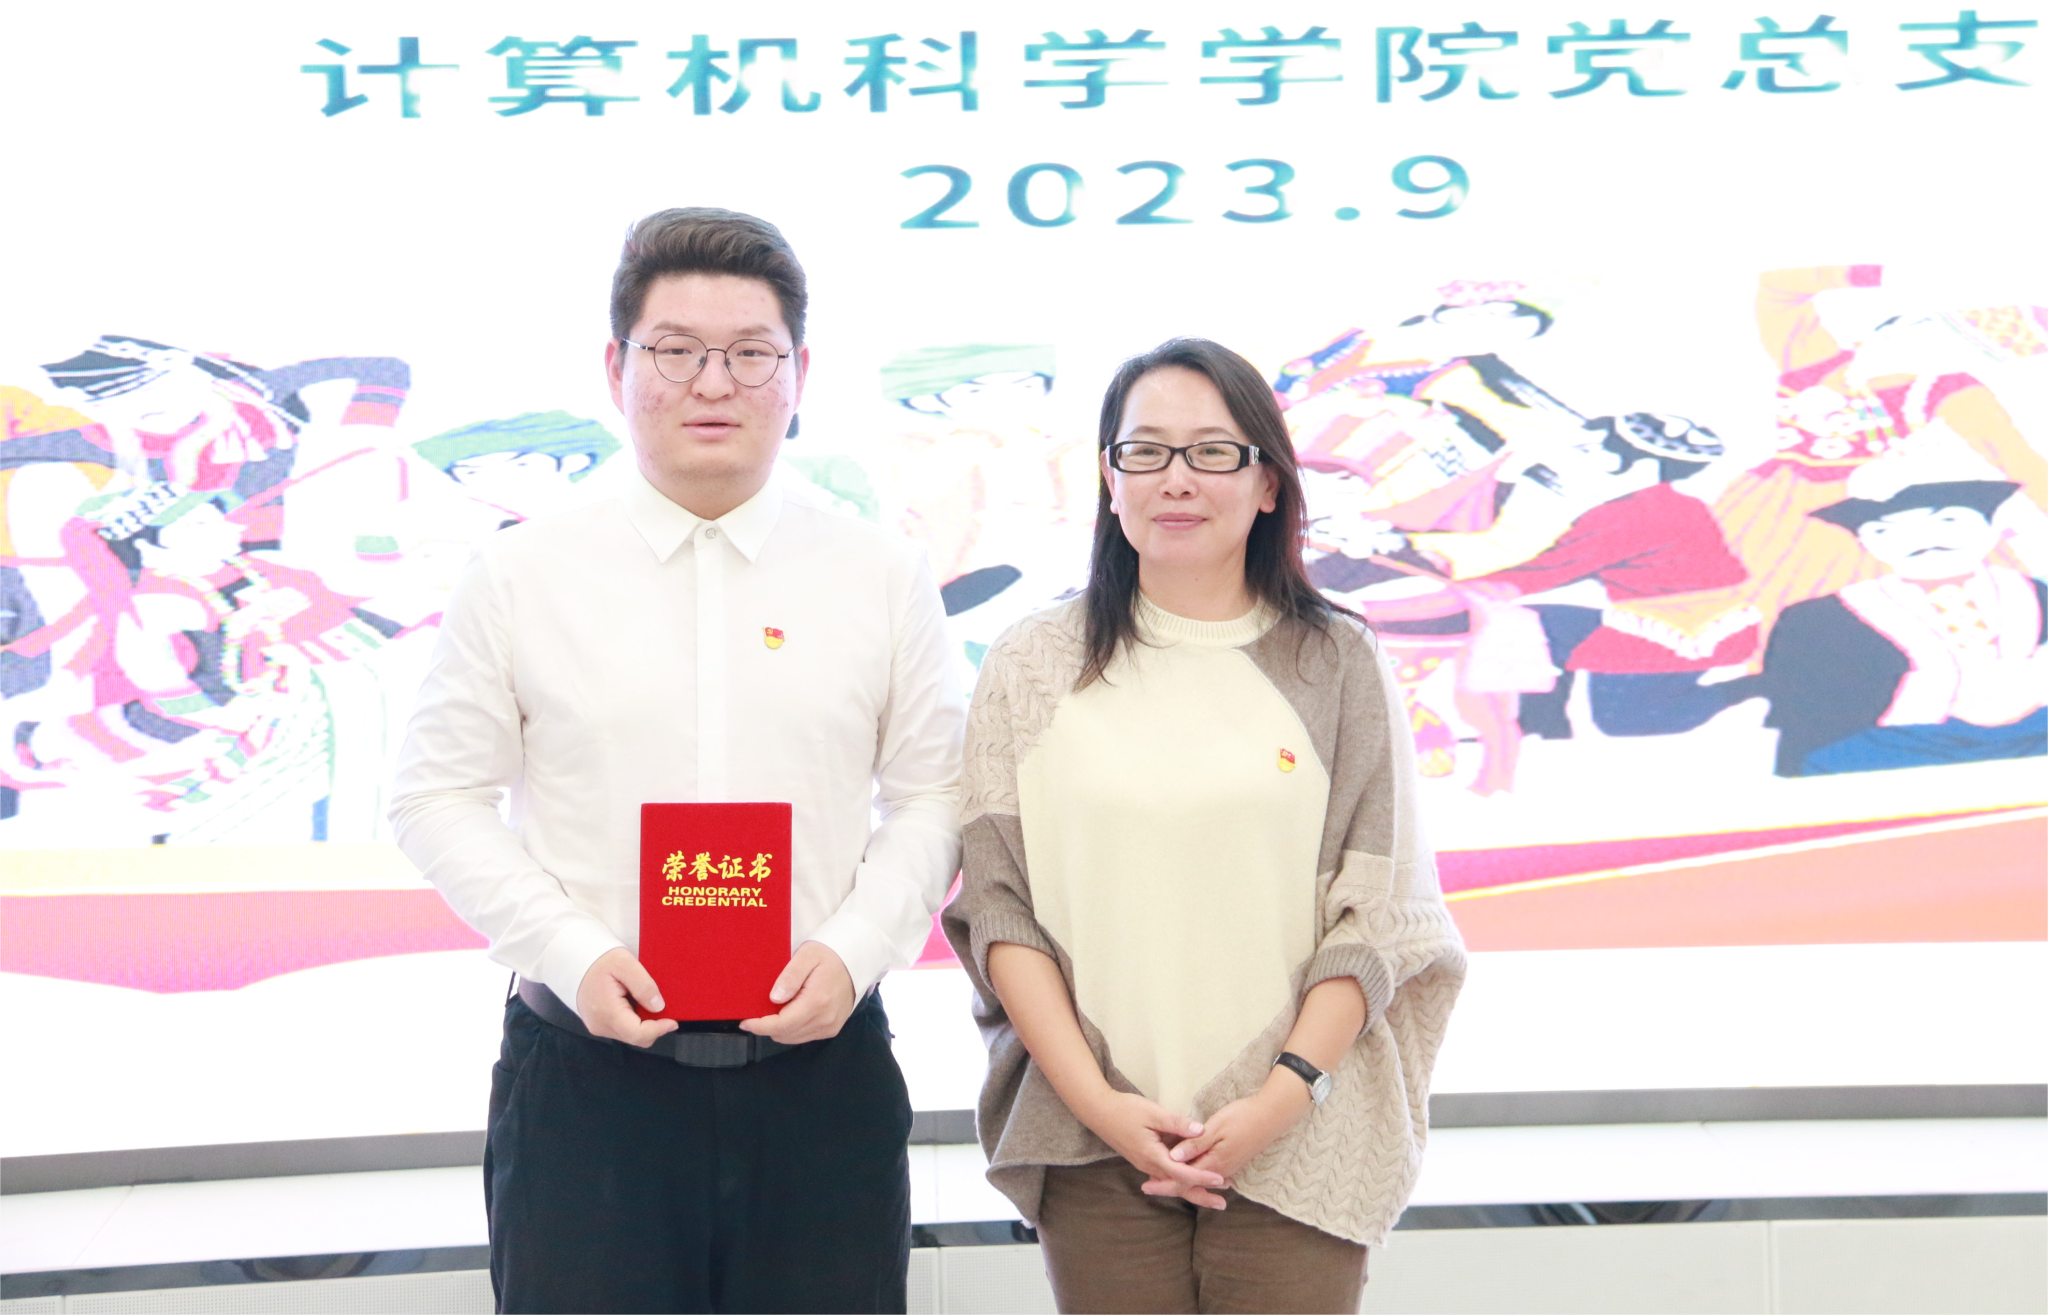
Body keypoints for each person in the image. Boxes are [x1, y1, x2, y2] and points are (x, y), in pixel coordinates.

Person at [389, 208, 965, 1314]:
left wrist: (853, 949)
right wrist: (569, 949)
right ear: (616, 369)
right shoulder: (523, 574)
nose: (714, 383)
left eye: (750, 353)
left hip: (821, 1082)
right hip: (586, 1088)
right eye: (676, 350)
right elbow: (436, 794)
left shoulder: (878, 574)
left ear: (799, 375)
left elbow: (934, 792)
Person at [943, 338, 1466, 1315]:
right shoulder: (1030, 660)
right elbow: (1000, 911)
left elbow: (1376, 916)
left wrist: (1280, 1095)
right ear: (1110, 479)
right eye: (1144, 451)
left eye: (1212, 451)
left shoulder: (1338, 661)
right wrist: (1101, 1105)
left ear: (1267, 483)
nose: (1175, 478)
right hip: (1094, 1136)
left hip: (1295, 1132)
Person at [1758, 445, 2048, 776]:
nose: (1921, 539)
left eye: (1947, 520)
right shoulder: (1821, 618)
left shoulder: (2034, 593)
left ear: (1991, 527)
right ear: (1865, 543)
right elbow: (1810, 708)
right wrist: (1951, 694)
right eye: (1885, 530)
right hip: (1908, 746)